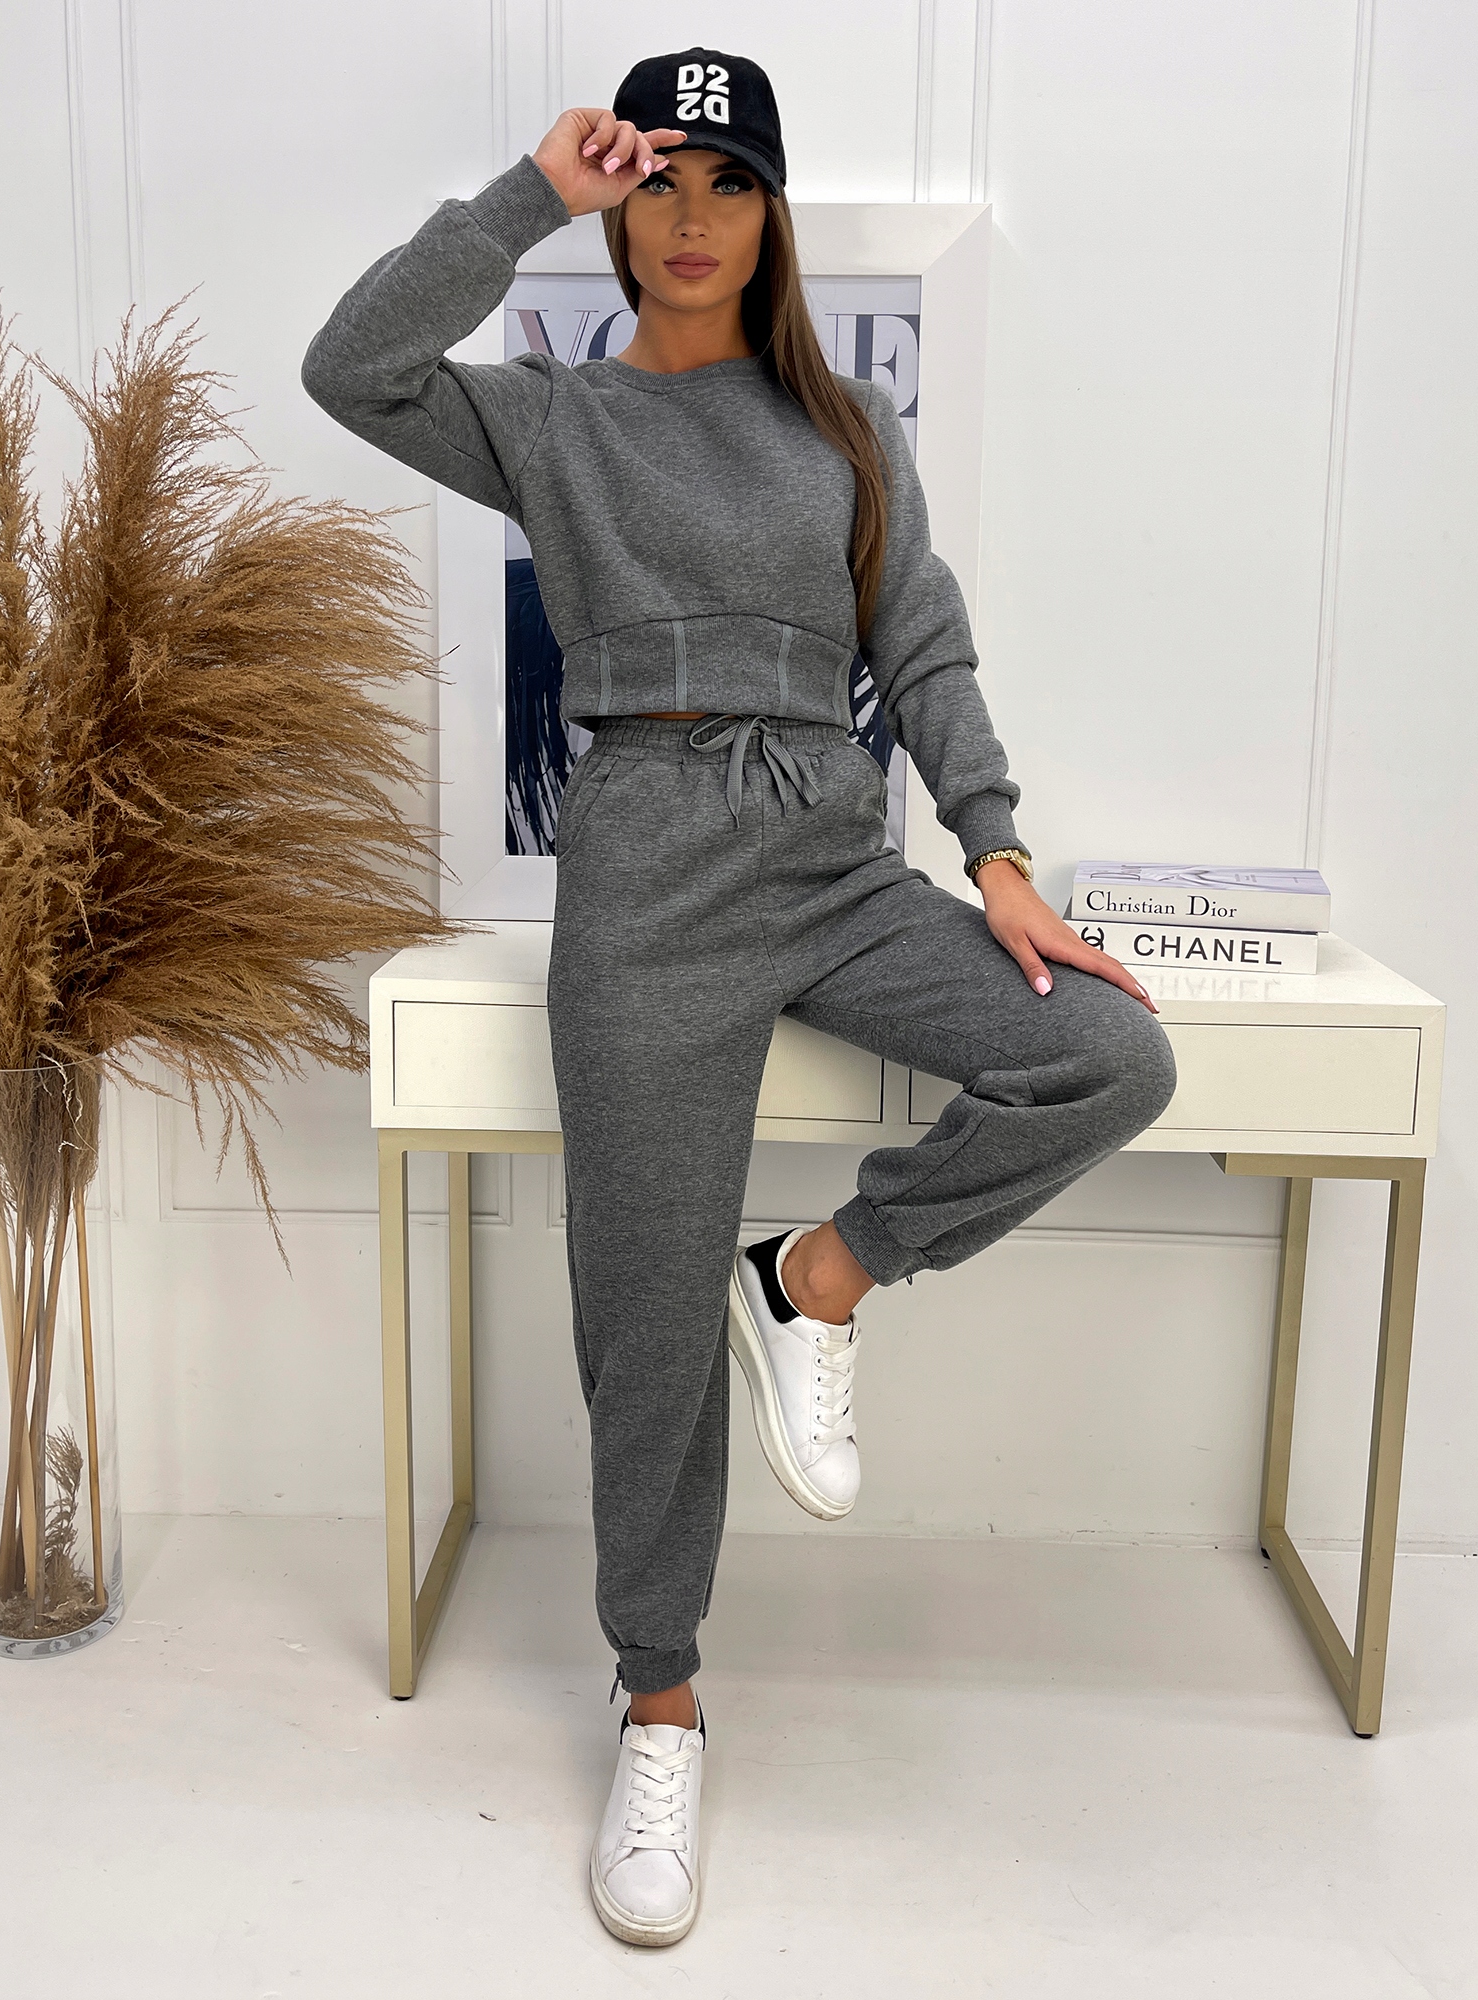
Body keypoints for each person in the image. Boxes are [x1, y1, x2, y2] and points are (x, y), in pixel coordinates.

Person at [301, 45, 1177, 1950]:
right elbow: (349, 367)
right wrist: (527, 191)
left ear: (774, 217)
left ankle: (813, 1279)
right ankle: (663, 1703)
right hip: (645, 872)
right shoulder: (556, 421)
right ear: (620, 215)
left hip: (833, 858)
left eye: (730, 183)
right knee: (637, 1311)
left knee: (1107, 1052)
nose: (692, 218)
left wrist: (999, 850)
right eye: (659, 184)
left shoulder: (846, 432)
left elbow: (922, 649)